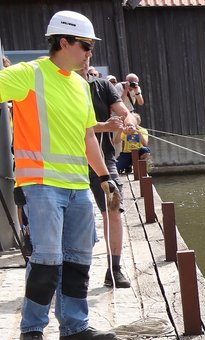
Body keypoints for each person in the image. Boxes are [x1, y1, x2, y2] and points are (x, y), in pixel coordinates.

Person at [0, 10, 120, 340]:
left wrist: (105, 177)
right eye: (85, 45)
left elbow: (87, 137)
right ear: (63, 42)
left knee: (79, 258)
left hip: (77, 186)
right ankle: (32, 330)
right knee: (48, 258)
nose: (89, 53)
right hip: (39, 184)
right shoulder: (28, 74)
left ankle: (73, 328)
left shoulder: (81, 85)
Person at [81, 65, 137, 288]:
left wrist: (129, 122)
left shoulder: (103, 86)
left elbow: (126, 111)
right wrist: (104, 126)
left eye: (90, 49)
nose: (87, 55)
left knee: (113, 208)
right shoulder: (59, 85)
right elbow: (69, 125)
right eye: (83, 47)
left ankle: (114, 268)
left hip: (104, 159)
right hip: (69, 161)